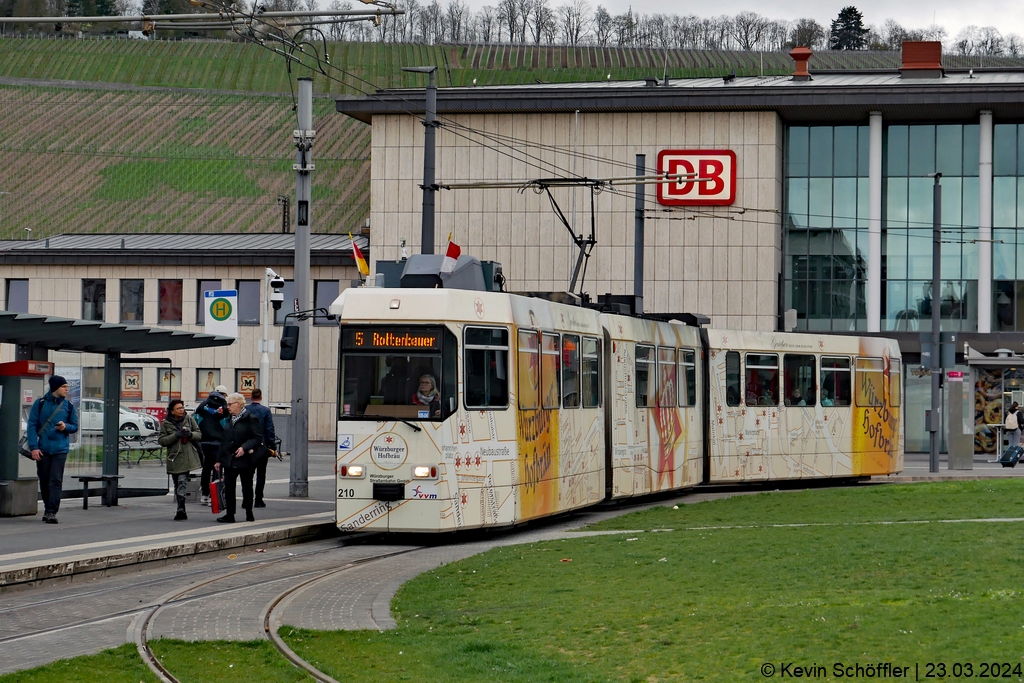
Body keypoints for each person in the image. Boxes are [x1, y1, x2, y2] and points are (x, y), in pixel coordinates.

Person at [27, 375, 78, 524]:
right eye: (64, 387)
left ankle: (51, 512)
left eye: (67, 386)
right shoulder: (40, 403)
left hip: (60, 449)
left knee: (55, 480)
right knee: (44, 480)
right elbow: (31, 426)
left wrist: (65, 427)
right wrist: (33, 447)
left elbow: (74, 426)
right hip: (43, 448)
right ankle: (47, 507)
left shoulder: (69, 406)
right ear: (55, 387)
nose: (67, 389)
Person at [214, 392, 264, 523]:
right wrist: (218, 459)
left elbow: (258, 438)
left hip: (245, 459)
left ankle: (249, 512)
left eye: (229, 404)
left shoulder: (250, 418)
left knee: (246, 486)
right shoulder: (230, 419)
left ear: (238, 404)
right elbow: (224, 441)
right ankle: (230, 514)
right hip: (230, 459)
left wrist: (244, 447)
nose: (227, 407)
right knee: (229, 487)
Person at [158, 399, 202, 521]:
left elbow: (199, 434)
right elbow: (162, 441)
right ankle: (180, 505)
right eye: (178, 408)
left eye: (182, 408)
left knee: (182, 481)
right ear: (172, 411)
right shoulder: (166, 424)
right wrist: (176, 435)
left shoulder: (188, 419)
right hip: (174, 457)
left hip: (186, 457)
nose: (181, 410)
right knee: (177, 483)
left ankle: (181, 509)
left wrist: (190, 435)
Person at [194, 388, 228, 505]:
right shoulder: (223, 409)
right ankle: (215, 496)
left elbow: (196, 420)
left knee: (206, 469)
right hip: (218, 443)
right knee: (217, 469)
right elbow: (226, 425)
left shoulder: (203, 407)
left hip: (204, 442)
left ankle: (205, 495)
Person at [247, 388, 277, 508]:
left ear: (251, 397)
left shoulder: (246, 410)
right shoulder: (265, 411)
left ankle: (246, 499)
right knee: (261, 474)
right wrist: (272, 446)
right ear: (261, 398)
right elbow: (269, 429)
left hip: (248, 446)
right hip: (262, 446)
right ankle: (258, 499)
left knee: (248, 474)